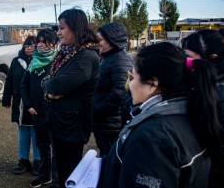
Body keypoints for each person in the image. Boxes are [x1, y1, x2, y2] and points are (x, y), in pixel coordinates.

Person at [100, 42, 222, 188]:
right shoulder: (191, 113)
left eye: (133, 77)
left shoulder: (152, 138)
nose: (129, 85)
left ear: (152, 84)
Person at [42, 8, 100, 187]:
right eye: (58, 28)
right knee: (58, 167)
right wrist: (49, 87)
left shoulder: (87, 56)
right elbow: (47, 80)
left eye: (62, 28)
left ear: (76, 28)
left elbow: (56, 85)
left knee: (70, 171)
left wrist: (50, 86)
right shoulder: (66, 53)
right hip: (59, 121)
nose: (58, 33)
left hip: (72, 126)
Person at [181, 30, 224, 188]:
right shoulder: (202, 84)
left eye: (190, 58)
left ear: (211, 57)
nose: (186, 63)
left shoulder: (214, 93)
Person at [21, 29, 59, 188]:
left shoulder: (59, 60)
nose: (41, 45)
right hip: (36, 112)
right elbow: (24, 85)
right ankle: (44, 176)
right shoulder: (33, 61)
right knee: (42, 145)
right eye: (40, 42)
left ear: (54, 43)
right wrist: (29, 106)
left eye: (45, 42)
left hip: (54, 112)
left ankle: (57, 180)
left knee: (57, 148)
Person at [92, 22, 133, 156]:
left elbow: (120, 93)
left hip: (111, 124)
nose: (97, 43)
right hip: (104, 122)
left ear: (112, 39)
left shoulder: (120, 60)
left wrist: (98, 109)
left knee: (110, 158)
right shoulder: (108, 57)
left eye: (100, 40)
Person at [2, 35, 41, 175]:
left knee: (36, 134)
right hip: (20, 103)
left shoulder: (40, 61)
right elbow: (10, 81)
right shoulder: (16, 61)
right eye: (27, 45)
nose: (29, 48)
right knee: (23, 133)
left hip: (35, 104)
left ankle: (38, 161)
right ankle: (23, 161)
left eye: (32, 46)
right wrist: (6, 99)